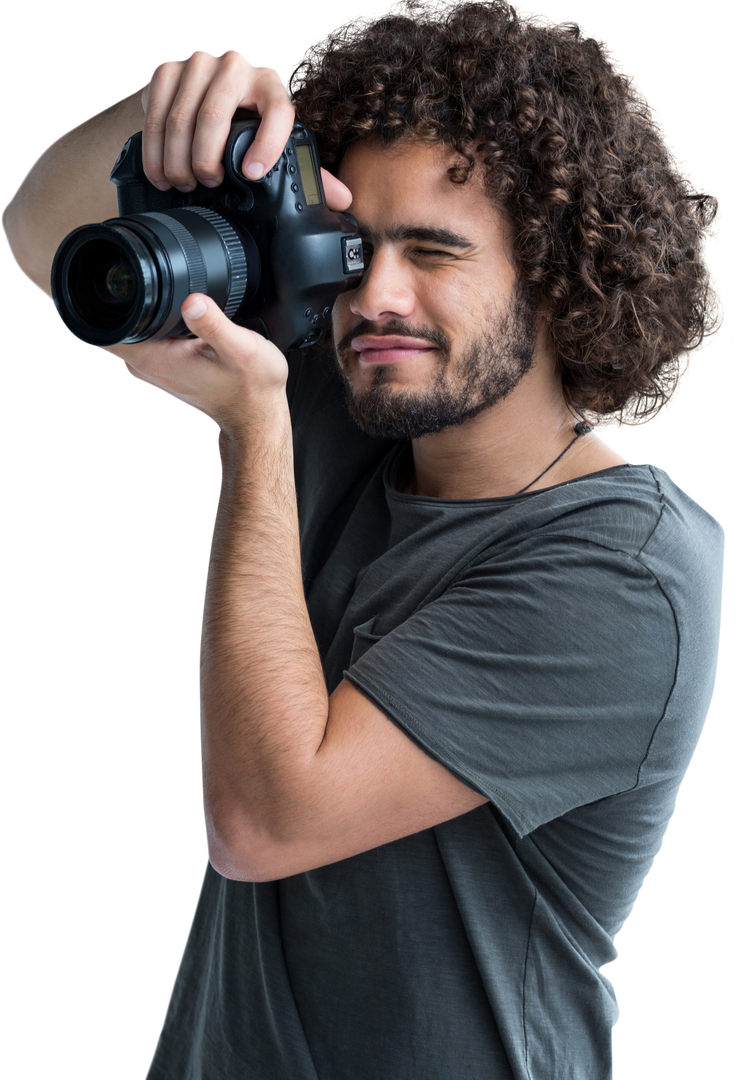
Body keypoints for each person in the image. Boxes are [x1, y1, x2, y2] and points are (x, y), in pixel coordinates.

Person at [2, 3, 730, 1077]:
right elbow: (35, 228)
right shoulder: (372, 405)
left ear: (558, 273)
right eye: (356, 250)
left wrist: (250, 433)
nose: (375, 298)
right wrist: (200, 115)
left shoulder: (625, 566)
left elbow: (265, 821)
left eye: (433, 252)